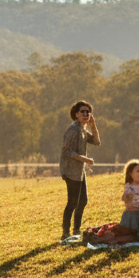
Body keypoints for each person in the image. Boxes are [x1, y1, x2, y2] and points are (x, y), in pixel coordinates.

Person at [60, 100, 100, 241]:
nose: (85, 114)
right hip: (70, 171)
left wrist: (93, 125)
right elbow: (68, 152)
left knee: (83, 201)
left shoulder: (83, 129)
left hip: (79, 171)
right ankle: (65, 232)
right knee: (72, 202)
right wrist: (86, 160)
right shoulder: (73, 130)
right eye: (82, 111)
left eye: (88, 112)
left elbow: (96, 141)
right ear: (76, 114)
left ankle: (76, 230)